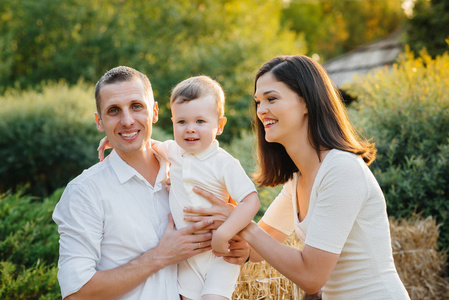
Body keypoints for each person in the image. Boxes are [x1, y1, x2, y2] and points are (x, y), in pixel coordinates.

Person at [186, 55, 410, 299]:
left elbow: (312, 277)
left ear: (306, 102)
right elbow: (261, 245)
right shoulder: (298, 178)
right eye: (258, 102)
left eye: (271, 99)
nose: (261, 111)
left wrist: (240, 222)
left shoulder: (341, 169)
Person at [52, 66, 249, 300]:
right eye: (113, 111)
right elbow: (76, 294)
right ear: (99, 121)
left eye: (137, 106)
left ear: (154, 112)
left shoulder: (186, 168)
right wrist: (160, 256)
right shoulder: (84, 192)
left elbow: (239, 222)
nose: (127, 120)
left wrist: (241, 250)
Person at [99, 75, 260, 300]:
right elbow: (144, 143)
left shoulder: (224, 163)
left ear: (219, 125)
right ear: (173, 122)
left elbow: (251, 200)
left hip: (219, 253)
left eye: (200, 122)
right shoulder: (173, 151)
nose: (190, 130)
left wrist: (224, 233)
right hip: (186, 256)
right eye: (181, 122)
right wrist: (112, 140)